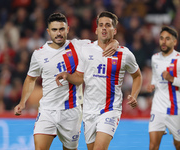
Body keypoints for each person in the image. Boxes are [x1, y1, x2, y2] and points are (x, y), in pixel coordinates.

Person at [14, 12, 119, 150]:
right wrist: (22, 102)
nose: (58, 33)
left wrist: (115, 42)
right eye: (54, 30)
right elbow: (30, 78)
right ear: (48, 31)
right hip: (47, 110)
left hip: (71, 112)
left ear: (68, 29)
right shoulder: (39, 54)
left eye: (62, 29)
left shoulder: (79, 46)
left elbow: (102, 41)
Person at [56, 11, 142, 150]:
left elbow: (137, 76)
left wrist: (134, 94)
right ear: (96, 30)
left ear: (114, 30)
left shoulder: (124, 54)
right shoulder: (86, 49)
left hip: (110, 108)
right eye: (101, 25)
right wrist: (68, 75)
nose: (104, 28)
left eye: (108, 25)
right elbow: (79, 78)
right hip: (89, 110)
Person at [147, 26, 180, 150]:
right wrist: (153, 85)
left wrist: (172, 79)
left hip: (176, 110)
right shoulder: (155, 58)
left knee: (179, 146)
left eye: (167, 39)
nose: (163, 41)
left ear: (175, 42)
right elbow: (156, 77)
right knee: (153, 145)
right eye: (161, 38)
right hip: (157, 109)